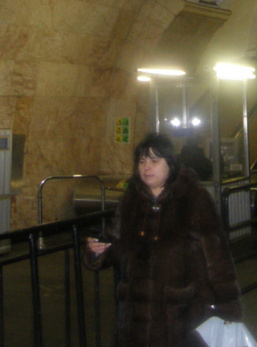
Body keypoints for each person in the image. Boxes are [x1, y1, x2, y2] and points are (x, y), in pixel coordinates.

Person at [85, 133, 242, 346]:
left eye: (154, 161)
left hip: (180, 315)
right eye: (142, 161)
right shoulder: (131, 200)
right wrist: (99, 251)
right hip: (134, 317)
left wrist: (228, 307)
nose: (146, 167)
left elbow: (217, 259)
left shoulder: (194, 200)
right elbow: (116, 243)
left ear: (170, 164)